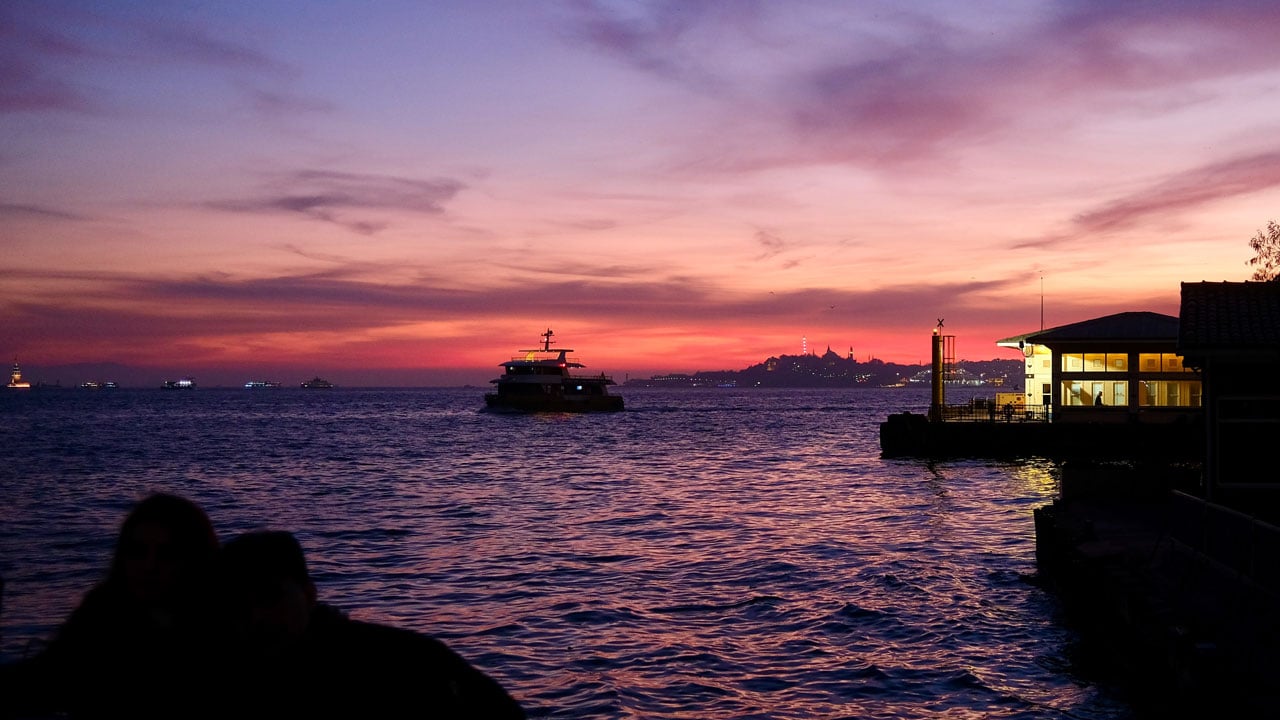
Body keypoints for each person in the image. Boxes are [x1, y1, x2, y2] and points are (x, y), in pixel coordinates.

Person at [214, 530, 526, 719]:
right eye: (239, 604)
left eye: (269, 597)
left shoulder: (405, 662)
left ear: (309, 594)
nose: (255, 616)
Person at [2, 492, 222, 719]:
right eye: (138, 552)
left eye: (167, 554)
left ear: (194, 559)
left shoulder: (221, 633)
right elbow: (46, 678)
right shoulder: (101, 617)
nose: (150, 566)